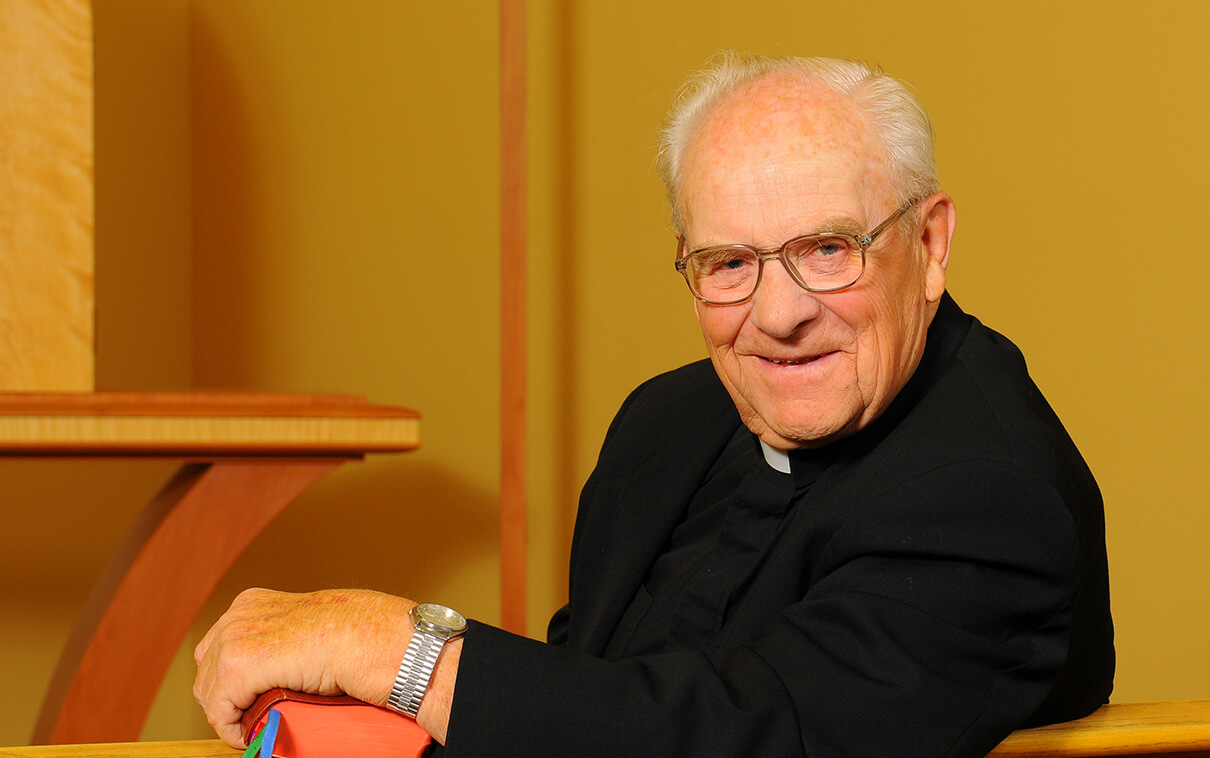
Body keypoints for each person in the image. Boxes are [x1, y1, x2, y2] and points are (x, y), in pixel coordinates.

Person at [194, 52, 1114, 757]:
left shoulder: (992, 495)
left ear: (931, 240)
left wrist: (395, 646)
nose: (780, 314)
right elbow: (587, 697)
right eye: (729, 264)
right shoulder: (666, 421)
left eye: (829, 249)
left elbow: (745, 736)